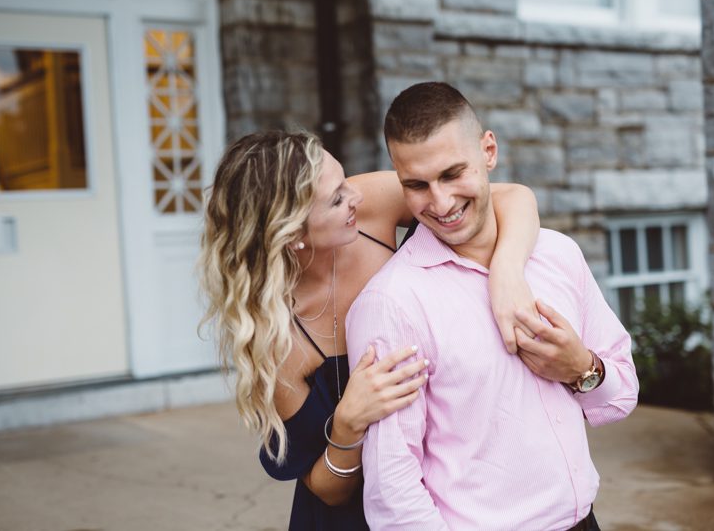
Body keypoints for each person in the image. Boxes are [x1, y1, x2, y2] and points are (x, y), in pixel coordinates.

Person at [198, 130, 542, 530]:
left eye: (344, 182)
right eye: (337, 199)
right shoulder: (276, 340)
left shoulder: (366, 206)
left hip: (460, 483)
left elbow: (512, 196)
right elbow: (326, 489)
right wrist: (348, 422)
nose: (355, 197)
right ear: (291, 234)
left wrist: (507, 273)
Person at [345, 82, 639, 531]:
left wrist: (581, 367)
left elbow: (621, 396)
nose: (441, 203)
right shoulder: (392, 303)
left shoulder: (557, 254)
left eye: (451, 174)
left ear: (489, 151)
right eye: (417, 185)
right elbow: (392, 488)